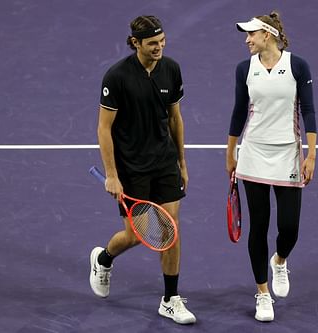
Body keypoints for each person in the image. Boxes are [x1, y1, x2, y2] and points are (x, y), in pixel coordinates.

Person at [90, 15, 196, 325]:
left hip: (164, 162)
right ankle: (103, 258)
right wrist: (112, 174)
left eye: (162, 42)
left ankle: (170, 299)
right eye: (152, 44)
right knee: (135, 236)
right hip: (131, 167)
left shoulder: (171, 69)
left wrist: (182, 162)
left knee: (171, 229)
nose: (159, 48)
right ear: (136, 43)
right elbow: (103, 128)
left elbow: (175, 118)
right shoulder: (117, 77)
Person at [226, 11, 317, 322]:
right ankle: (262, 293)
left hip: (288, 156)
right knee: (259, 226)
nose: (246, 39)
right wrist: (231, 151)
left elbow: (309, 111)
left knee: (289, 228)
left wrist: (311, 154)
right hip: (253, 154)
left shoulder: (297, 65)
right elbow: (239, 111)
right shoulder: (244, 69)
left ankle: (279, 260)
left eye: (251, 34)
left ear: (268, 35)